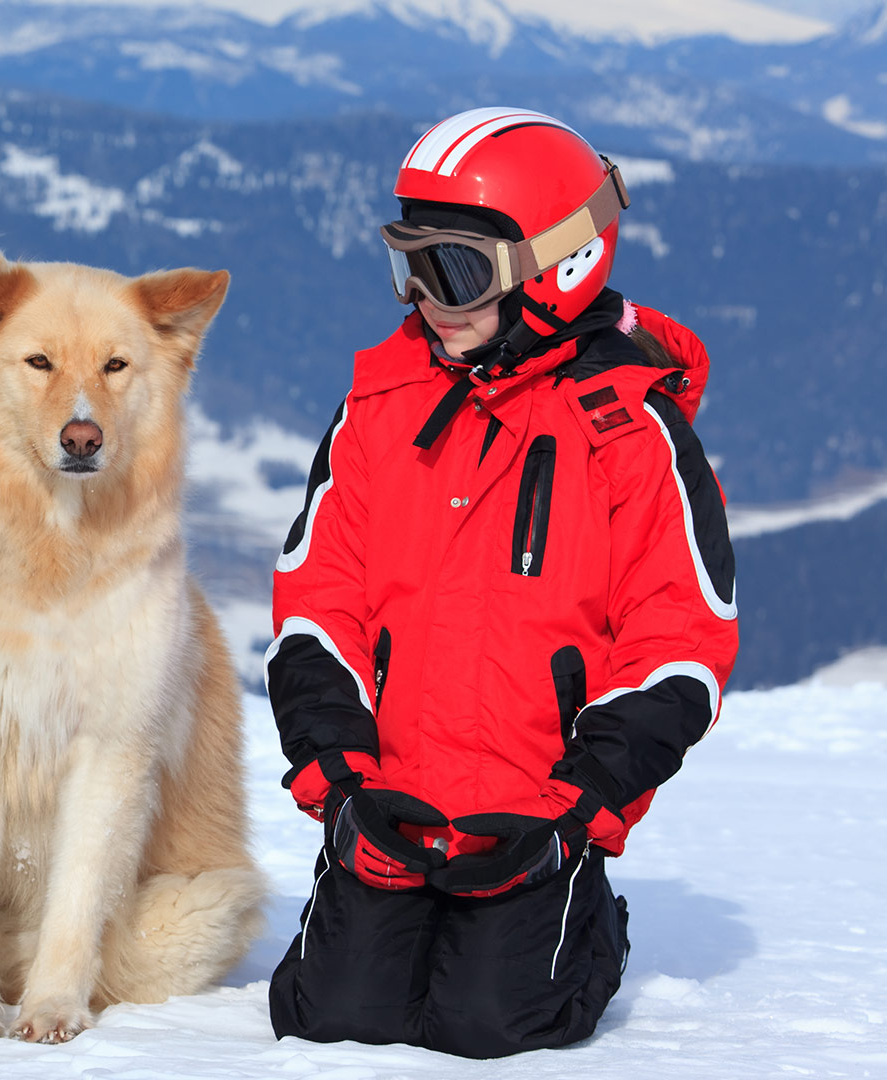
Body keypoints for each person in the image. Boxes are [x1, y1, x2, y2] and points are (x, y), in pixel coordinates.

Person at [263, 107, 738, 1058]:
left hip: (539, 813)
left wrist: (584, 806)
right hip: (387, 799)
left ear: (560, 267)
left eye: (458, 268)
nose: (429, 298)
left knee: (491, 1027)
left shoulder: (630, 436)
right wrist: (340, 774)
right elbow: (319, 600)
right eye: (411, 265)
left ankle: (585, 924)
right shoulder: (379, 410)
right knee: (334, 1019)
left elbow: (679, 642)